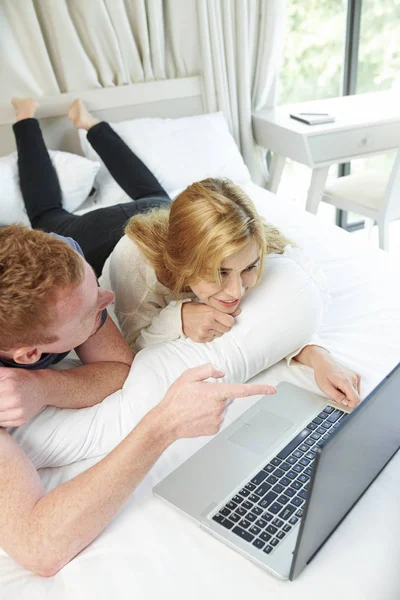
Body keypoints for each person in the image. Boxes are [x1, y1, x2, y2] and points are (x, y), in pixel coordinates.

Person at [0, 224, 275, 576]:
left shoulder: (58, 257)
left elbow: (117, 369)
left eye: (93, 285)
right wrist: (162, 427)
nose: (108, 298)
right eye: (90, 312)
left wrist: (41, 387)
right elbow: (39, 548)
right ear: (29, 353)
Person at [106, 177, 361, 409]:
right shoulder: (134, 261)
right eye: (220, 273)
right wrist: (177, 317)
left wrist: (318, 356)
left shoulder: (254, 242)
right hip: (104, 233)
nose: (236, 291)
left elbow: (283, 308)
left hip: (174, 218)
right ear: (184, 264)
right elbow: (131, 351)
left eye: (249, 268)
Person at [11, 97, 171, 276]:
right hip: (114, 237)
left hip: (157, 217)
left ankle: (89, 123)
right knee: (46, 214)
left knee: (154, 193)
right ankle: (25, 118)